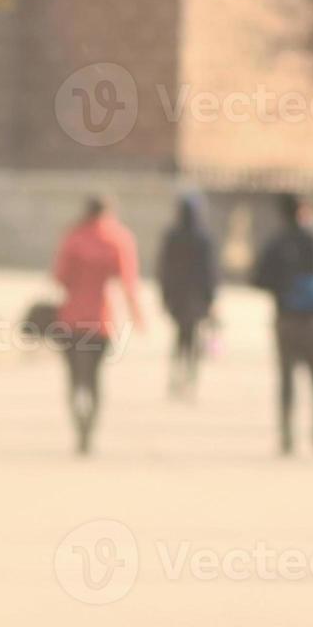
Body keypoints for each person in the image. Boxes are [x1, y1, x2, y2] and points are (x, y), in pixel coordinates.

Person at [252, 194, 313, 456]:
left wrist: (282, 288)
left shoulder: (277, 242)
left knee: (286, 379)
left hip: (286, 320)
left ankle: (287, 433)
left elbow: (258, 278)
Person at [52, 196, 144, 456]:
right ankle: (90, 429)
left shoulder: (73, 236)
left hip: (71, 320)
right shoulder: (119, 238)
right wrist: (138, 315)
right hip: (101, 321)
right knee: (94, 379)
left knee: (74, 379)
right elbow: (128, 282)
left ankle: (78, 425)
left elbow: (59, 277)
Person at [157, 191, 219, 400]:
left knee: (181, 336)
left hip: (177, 296)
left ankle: (178, 376)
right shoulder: (203, 238)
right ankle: (189, 377)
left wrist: (164, 295)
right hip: (196, 297)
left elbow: (164, 268)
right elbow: (210, 271)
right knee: (191, 337)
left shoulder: (172, 236)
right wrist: (211, 298)